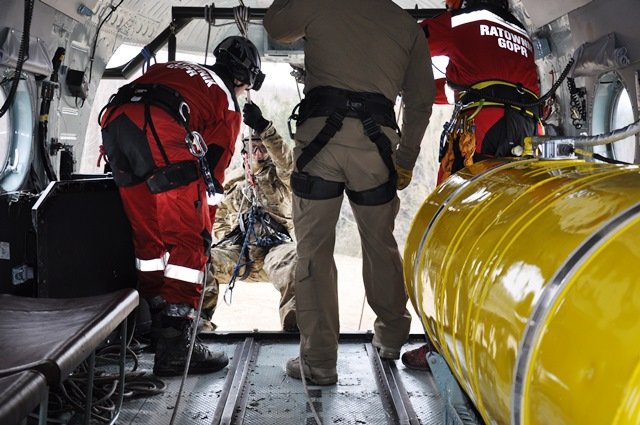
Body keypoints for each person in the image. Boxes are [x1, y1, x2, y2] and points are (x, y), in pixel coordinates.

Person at [264, 0, 436, 385]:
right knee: (379, 243)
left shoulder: (320, 5)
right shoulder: (404, 24)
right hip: (376, 149)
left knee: (314, 251)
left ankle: (320, 361)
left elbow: (276, 26)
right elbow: (422, 101)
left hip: (320, 144)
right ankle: (391, 338)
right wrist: (404, 157)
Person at [99, 36, 265, 377]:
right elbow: (213, 175)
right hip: (159, 125)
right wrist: (204, 230)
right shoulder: (226, 99)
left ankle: (152, 320)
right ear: (242, 79)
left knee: (148, 238)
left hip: (116, 124)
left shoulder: (175, 69)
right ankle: (176, 344)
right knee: (188, 240)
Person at [401, 0, 542, 371]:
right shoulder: (519, 32)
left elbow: (407, 42)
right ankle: (493, 343)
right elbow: (480, 83)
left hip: (481, 130)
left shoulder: (463, 20)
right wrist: (418, 89)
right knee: (502, 239)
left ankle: (440, 346)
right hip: (525, 135)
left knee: (451, 234)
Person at [201, 102, 298, 333]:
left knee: (299, 260)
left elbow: (286, 161)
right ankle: (199, 323)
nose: (259, 153)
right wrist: (229, 238)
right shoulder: (233, 182)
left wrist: (264, 128)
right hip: (239, 255)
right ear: (245, 151)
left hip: (276, 254)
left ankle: (295, 324)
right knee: (201, 261)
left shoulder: (283, 178)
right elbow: (220, 218)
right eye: (254, 147)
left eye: (264, 147)